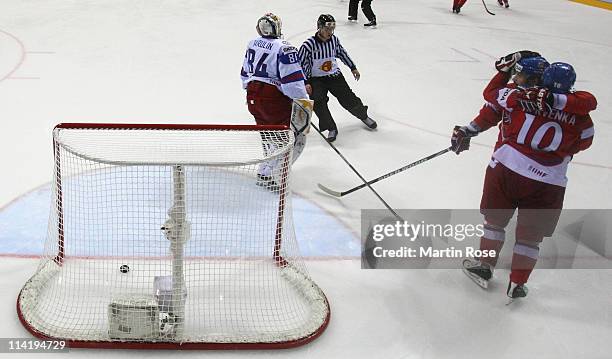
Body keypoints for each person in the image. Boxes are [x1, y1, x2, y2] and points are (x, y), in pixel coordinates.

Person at [451, 52, 597, 300]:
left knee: (495, 223)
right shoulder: (579, 112)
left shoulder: (516, 97)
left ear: (535, 79)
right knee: (530, 238)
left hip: (507, 168)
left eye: (520, 74)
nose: (516, 76)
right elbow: (584, 141)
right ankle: (517, 283)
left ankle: (484, 266)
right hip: (549, 182)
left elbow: (491, 97)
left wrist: (502, 73)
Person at [240, 13, 311, 190]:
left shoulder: (252, 43)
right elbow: (292, 82)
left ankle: (265, 172)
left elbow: (244, 74)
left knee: (269, 137)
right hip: (273, 99)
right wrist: (304, 103)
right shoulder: (284, 48)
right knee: (296, 137)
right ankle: (277, 175)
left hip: (253, 97)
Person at [298, 14, 377, 142]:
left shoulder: (334, 40)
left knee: (348, 98)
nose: (330, 32)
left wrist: (352, 67)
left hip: (335, 76)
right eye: (327, 29)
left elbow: (341, 53)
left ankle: (363, 115)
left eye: (332, 29)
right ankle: (331, 128)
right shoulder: (308, 45)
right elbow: (301, 64)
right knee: (318, 102)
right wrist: (305, 82)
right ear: (319, 28)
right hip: (317, 80)